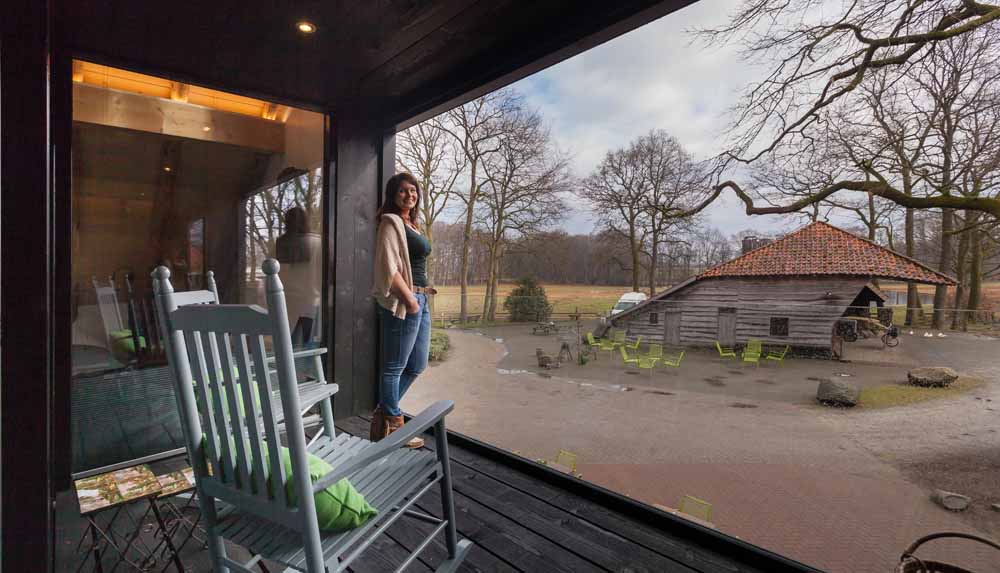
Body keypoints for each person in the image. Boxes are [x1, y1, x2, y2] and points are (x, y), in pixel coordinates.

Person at [370, 172, 435, 448]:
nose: (410, 195)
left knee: (417, 364)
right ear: (392, 195)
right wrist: (409, 300)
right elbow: (388, 268)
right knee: (394, 367)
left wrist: (419, 299)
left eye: (413, 190)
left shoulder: (412, 224)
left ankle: (384, 412)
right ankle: (396, 425)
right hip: (405, 302)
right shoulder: (391, 223)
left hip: (422, 300)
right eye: (402, 191)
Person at [275, 206, 321, 345]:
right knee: (308, 344)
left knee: (288, 343)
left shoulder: (281, 243)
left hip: (287, 302)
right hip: (311, 302)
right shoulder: (318, 243)